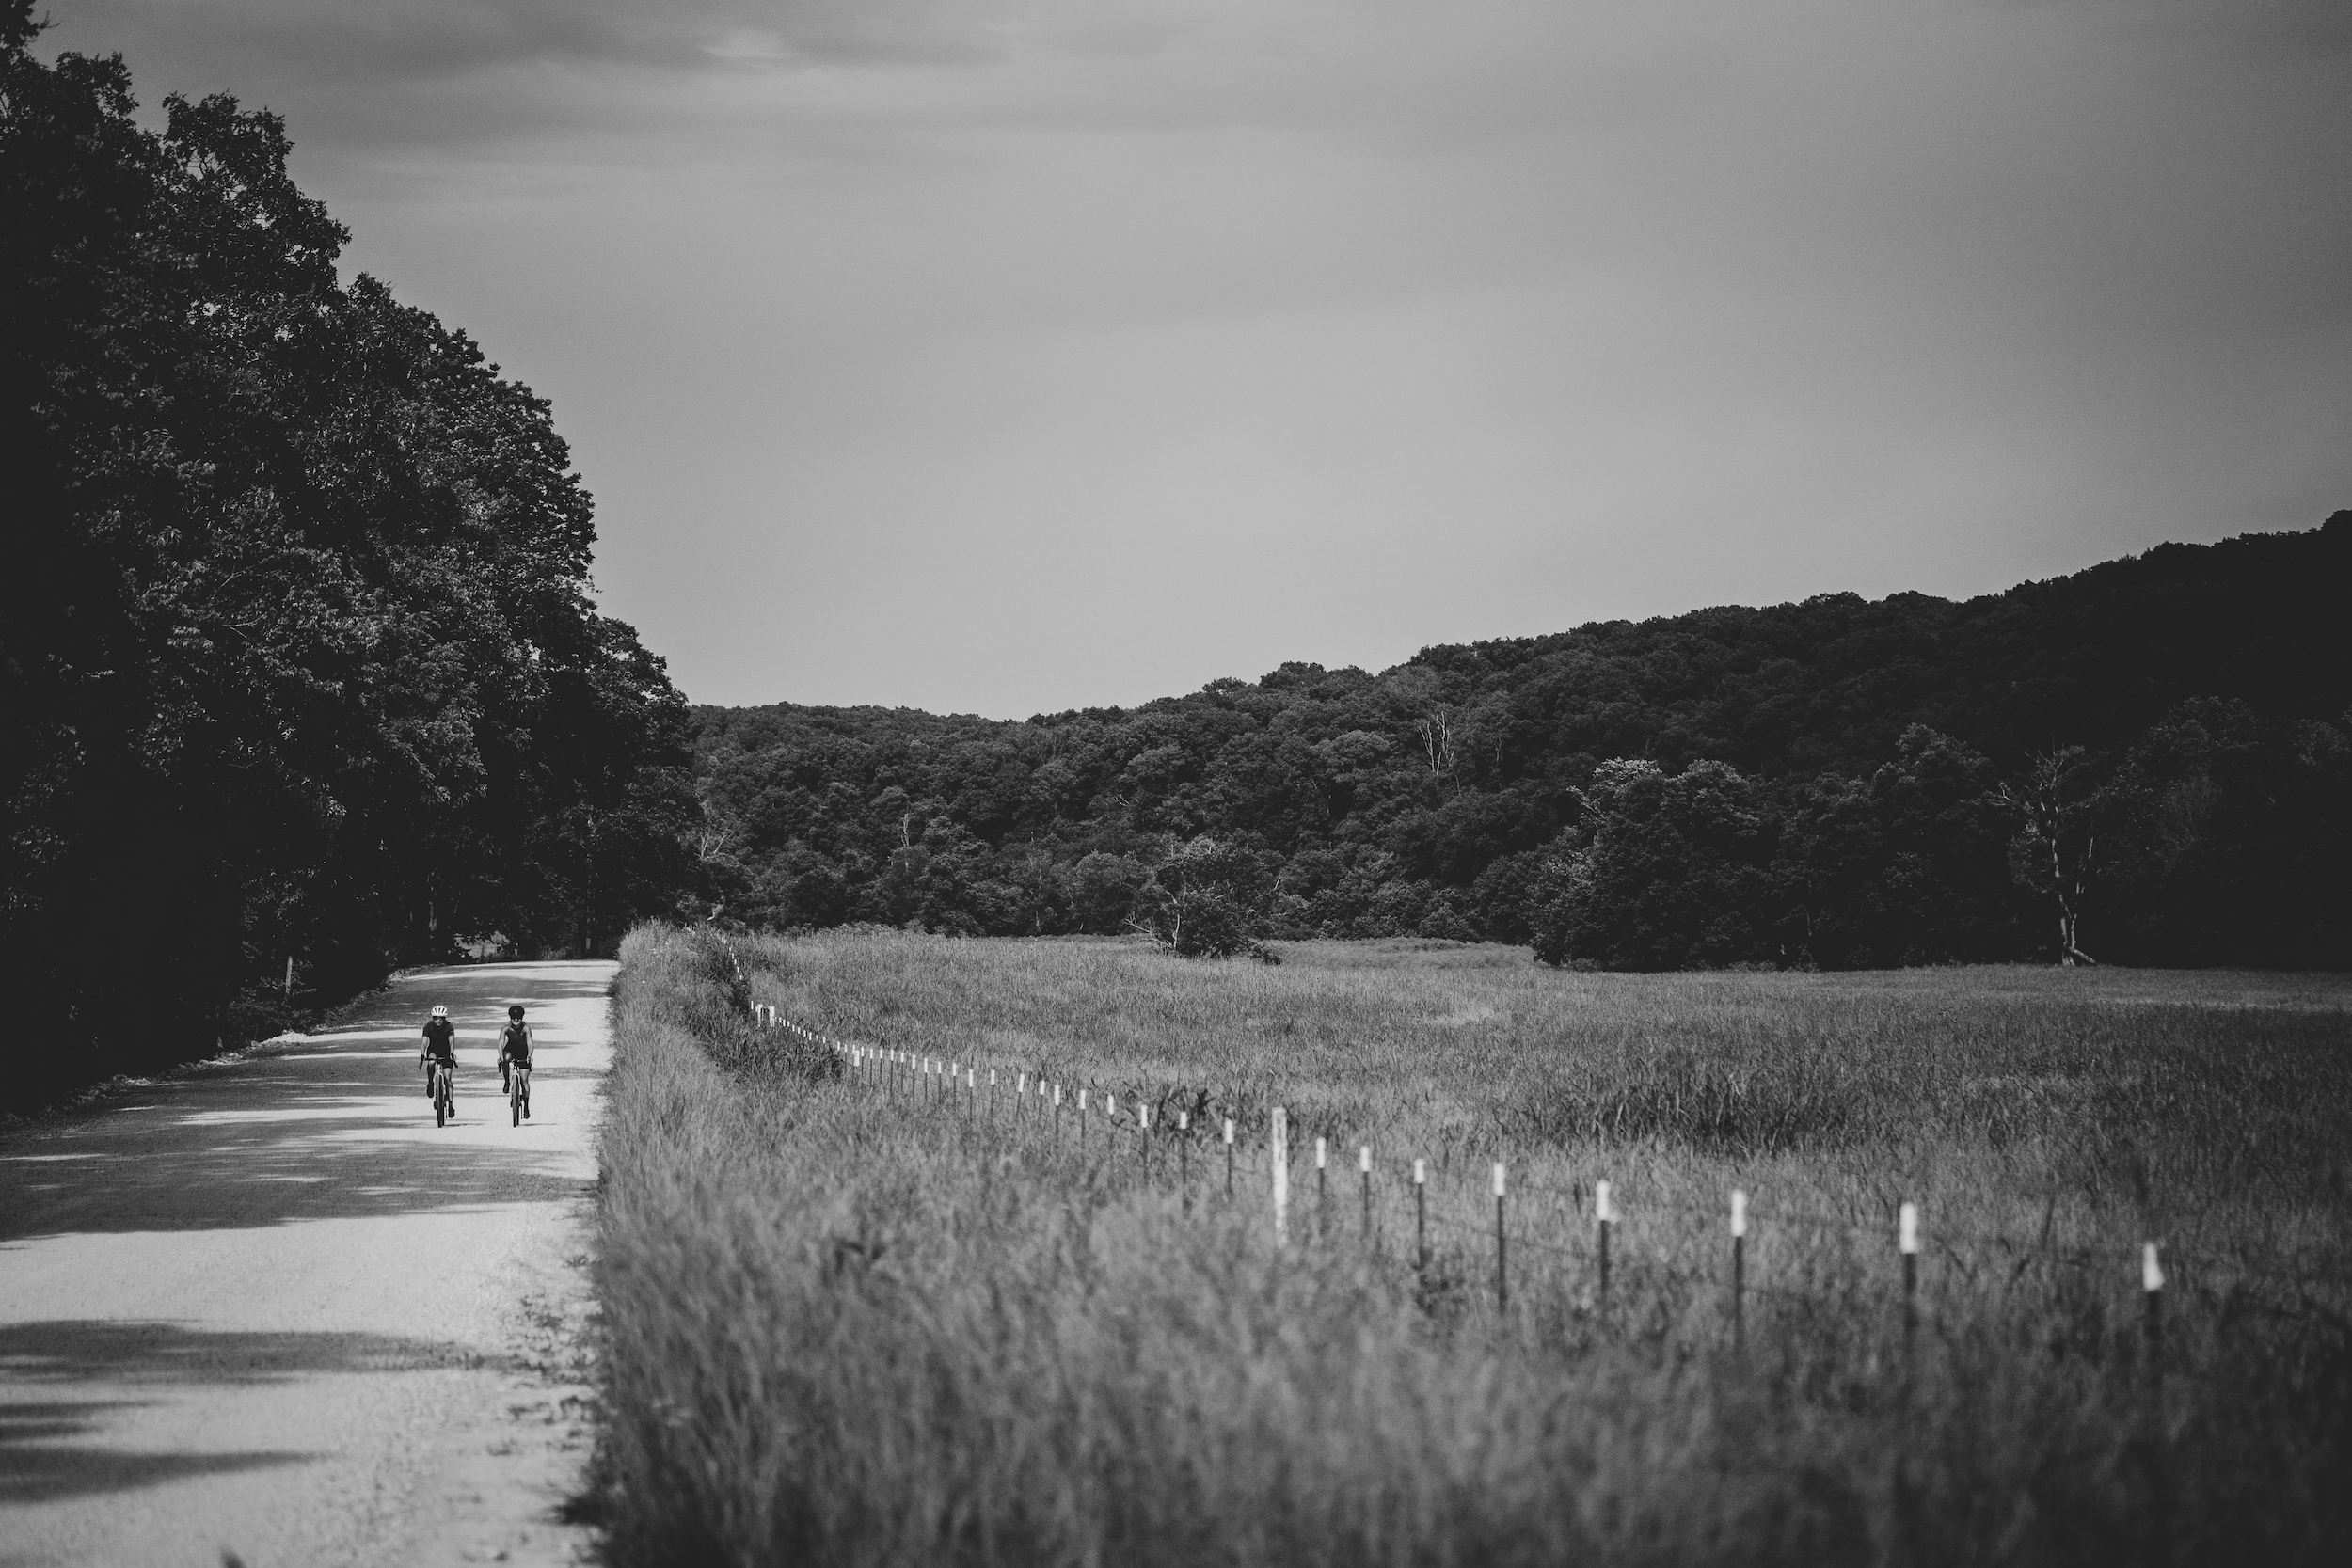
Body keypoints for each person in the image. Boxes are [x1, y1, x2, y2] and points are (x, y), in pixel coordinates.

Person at [498, 1005, 534, 1116]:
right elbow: (500, 1043)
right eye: (514, 1017)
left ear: (522, 1017)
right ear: (510, 1017)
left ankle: (526, 1106)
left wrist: (529, 1055)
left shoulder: (526, 1028)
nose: (516, 1020)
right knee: (505, 1059)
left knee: (524, 1079)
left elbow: (530, 1043)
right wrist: (500, 1056)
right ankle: (507, 1082)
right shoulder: (506, 1028)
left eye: (518, 1017)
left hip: (523, 1052)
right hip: (511, 1050)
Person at [420, 1004, 458, 1103]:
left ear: (444, 1018)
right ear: (433, 1018)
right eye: (436, 1018)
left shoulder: (449, 1027)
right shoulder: (428, 1026)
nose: (438, 1020)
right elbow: (424, 1042)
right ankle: (430, 1082)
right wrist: (423, 1054)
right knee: (431, 1063)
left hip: (446, 1052)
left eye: (441, 1018)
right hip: (433, 1050)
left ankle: (450, 1103)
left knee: (447, 1079)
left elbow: (451, 1042)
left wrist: (451, 1053)